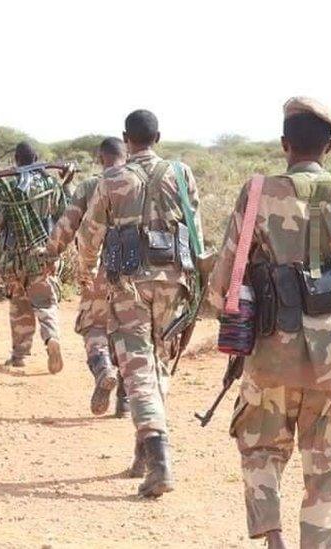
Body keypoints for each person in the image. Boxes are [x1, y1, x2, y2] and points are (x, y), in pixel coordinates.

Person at [205, 97, 331, 549]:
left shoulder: (256, 193)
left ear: (284, 145)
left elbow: (222, 286)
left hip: (269, 356)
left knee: (260, 451)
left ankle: (272, 536)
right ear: (329, 148)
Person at [76, 110, 204, 498]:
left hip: (128, 286)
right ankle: (143, 456)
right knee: (158, 365)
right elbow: (196, 234)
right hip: (173, 284)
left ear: (125, 138)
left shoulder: (113, 179)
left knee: (137, 370)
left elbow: (89, 234)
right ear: (158, 137)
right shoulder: (180, 174)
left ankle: (159, 459)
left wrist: (85, 274)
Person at [45, 137, 127, 415]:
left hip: (103, 268)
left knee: (94, 327)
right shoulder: (144, 182)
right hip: (144, 270)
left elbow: (69, 224)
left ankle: (103, 368)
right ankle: (126, 401)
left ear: (101, 158)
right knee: (134, 333)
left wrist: (51, 253)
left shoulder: (93, 185)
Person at [0, 142, 67, 372]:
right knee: (45, 303)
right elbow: (65, 215)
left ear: (15, 160)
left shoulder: (3, 187)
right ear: (36, 159)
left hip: (13, 259)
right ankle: (51, 337)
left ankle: (20, 355)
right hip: (43, 254)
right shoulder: (51, 183)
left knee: (19, 306)